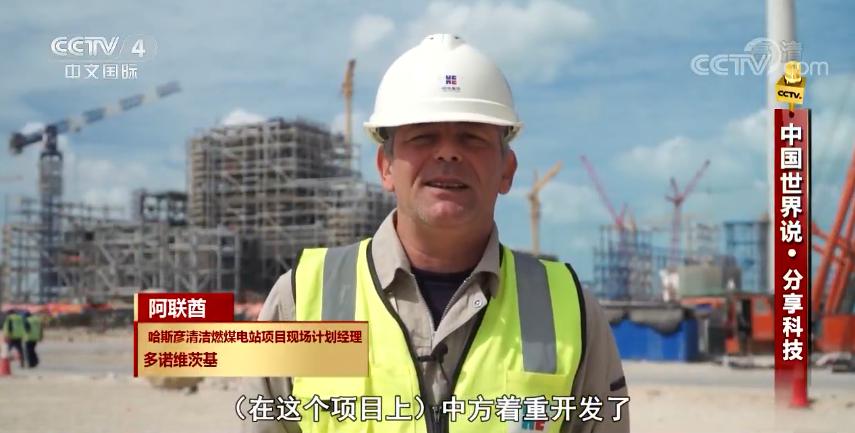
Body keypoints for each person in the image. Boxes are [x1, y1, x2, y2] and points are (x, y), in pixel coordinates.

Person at [245, 34, 628, 433]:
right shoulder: (299, 299)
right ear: (385, 167)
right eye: (423, 136)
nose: (447, 153)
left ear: (507, 170)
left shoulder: (571, 310)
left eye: (472, 137)